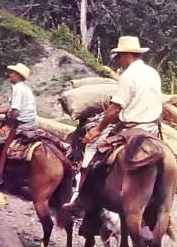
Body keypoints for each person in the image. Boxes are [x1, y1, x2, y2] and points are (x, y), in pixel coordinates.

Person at [63, 36, 162, 210]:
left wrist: (97, 130)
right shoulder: (153, 73)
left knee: (93, 153)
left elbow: (116, 108)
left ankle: (82, 198)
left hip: (132, 128)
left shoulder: (128, 75)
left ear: (128, 55)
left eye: (119, 56)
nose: (118, 60)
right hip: (153, 128)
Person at [0, 63, 37, 187]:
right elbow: (10, 109)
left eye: (12, 73)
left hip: (20, 124)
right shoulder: (26, 88)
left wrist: (7, 126)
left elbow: (15, 112)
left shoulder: (17, 89)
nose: (9, 75)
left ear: (18, 75)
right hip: (30, 122)